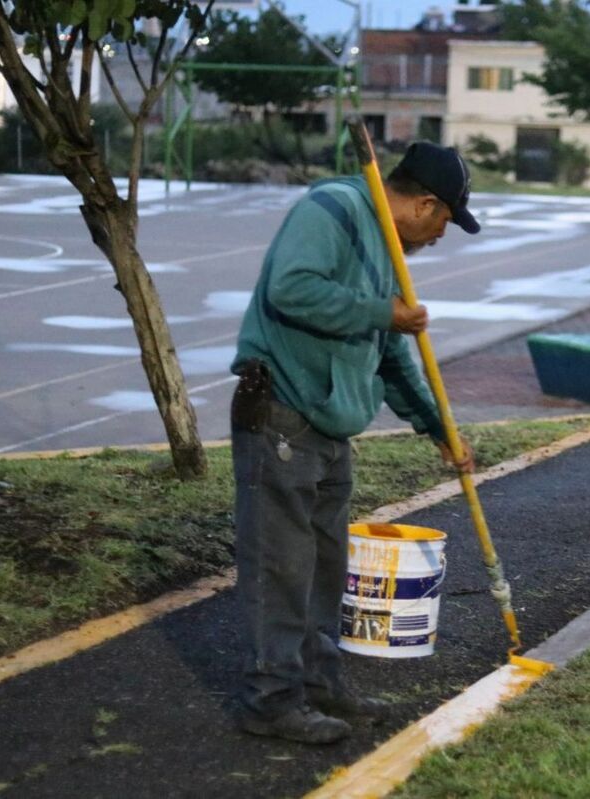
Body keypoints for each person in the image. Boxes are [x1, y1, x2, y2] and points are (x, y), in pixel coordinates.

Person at [228, 141, 479, 744]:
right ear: (424, 203)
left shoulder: (390, 247)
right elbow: (291, 288)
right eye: (445, 220)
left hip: (331, 425)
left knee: (322, 567)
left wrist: (438, 428)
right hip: (283, 414)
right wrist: (380, 311)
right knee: (281, 567)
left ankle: (318, 684)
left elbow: (393, 355)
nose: (442, 234)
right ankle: (270, 700)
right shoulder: (334, 208)